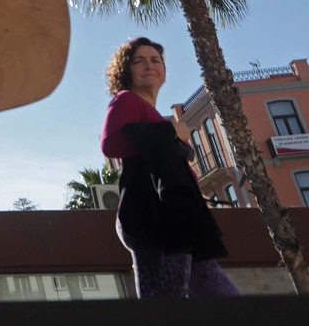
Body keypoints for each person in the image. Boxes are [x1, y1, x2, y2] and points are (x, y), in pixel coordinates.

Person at [100, 37, 238, 298]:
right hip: (153, 217)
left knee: (223, 301)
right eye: (138, 61)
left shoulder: (149, 112)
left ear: (163, 70)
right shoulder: (126, 99)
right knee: (166, 309)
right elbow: (111, 143)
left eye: (155, 60)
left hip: (180, 217)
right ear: (125, 71)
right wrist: (172, 130)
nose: (149, 65)